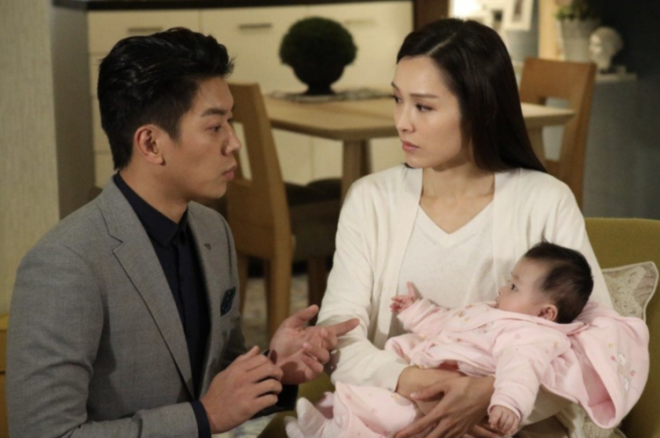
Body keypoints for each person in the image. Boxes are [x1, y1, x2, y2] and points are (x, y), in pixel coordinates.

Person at [6, 28, 358, 438]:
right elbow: (44, 433)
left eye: (230, 122)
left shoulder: (213, 231)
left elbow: (216, 377)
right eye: (215, 127)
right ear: (151, 144)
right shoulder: (64, 264)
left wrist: (274, 367)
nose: (233, 143)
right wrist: (202, 417)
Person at [315, 18, 615, 438]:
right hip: (392, 416)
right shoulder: (371, 199)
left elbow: (600, 342)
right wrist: (416, 384)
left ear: (479, 110)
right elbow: (337, 334)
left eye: (423, 106)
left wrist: (491, 395)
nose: (402, 122)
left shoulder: (545, 200)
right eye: (397, 99)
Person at [288, 242, 598, 438]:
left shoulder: (531, 337)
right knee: (366, 396)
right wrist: (415, 310)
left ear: (545, 313)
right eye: (508, 281)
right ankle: (328, 425)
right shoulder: (494, 312)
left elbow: (522, 373)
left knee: (390, 414)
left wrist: (508, 405)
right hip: (424, 371)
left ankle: (331, 432)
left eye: (514, 287)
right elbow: (449, 323)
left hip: (454, 396)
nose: (502, 289)